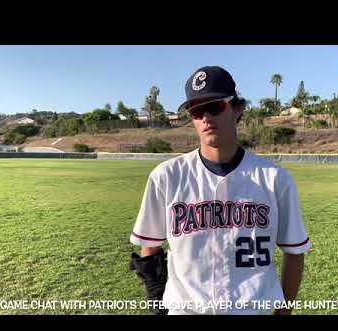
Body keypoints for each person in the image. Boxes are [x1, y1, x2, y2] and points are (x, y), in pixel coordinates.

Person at [130, 65, 311, 315]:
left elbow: (294, 251)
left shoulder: (275, 179)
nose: (205, 117)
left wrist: (284, 312)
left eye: (215, 106)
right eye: (196, 110)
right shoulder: (166, 176)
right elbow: (150, 250)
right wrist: (158, 308)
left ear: (237, 110)